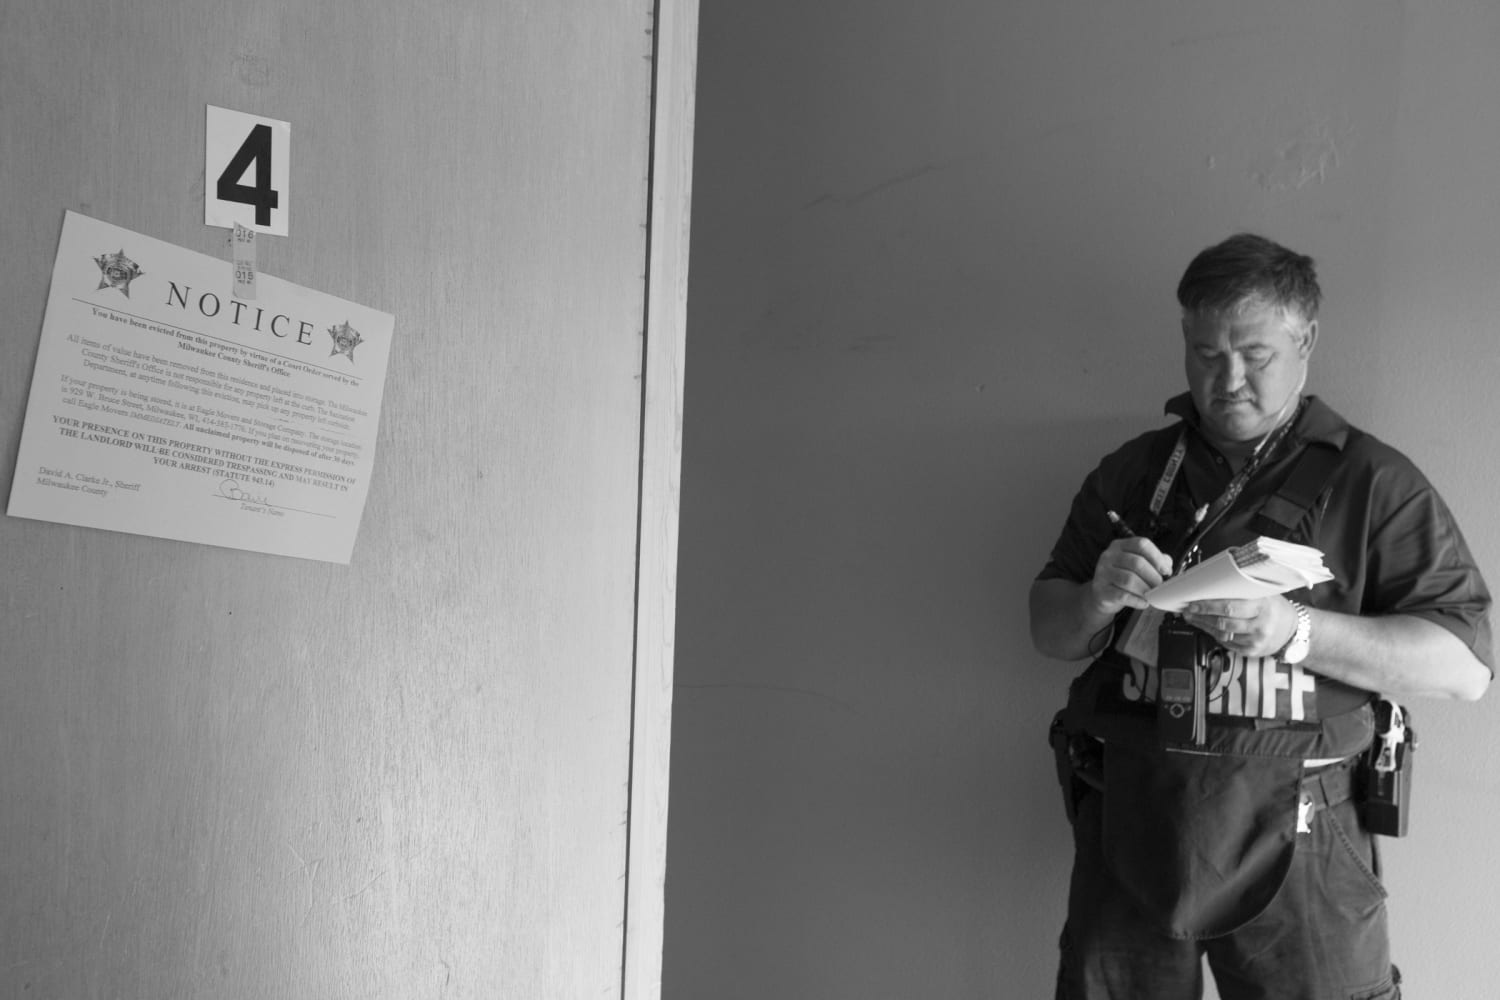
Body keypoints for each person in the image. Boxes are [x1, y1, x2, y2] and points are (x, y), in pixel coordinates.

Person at [1029, 232, 1493, 1000]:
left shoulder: (1373, 482)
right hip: (1132, 808)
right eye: (1206, 354)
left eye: (1255, 354)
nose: (1229, 379)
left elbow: (1464, 669)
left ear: (1305, 340)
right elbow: (1048, 630)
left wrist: (1295, 631)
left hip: (1305, 821)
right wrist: (1095, 600)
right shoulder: (1134, 472)